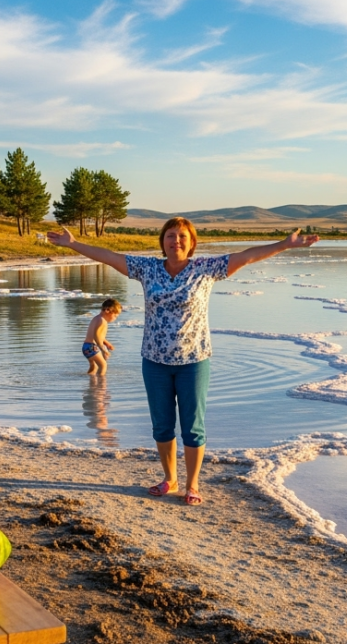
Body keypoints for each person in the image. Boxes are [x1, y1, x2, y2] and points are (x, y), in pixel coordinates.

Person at [47, 217, 319, 506]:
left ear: (191, 243)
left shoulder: (206, 269)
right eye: (171, 235)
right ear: (163, 241)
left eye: (182, 237)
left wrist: (285, 245)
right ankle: (170, 479)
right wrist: (74, 244)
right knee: (162, 425)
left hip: (194, 361)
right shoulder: (147, 268)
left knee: (192, 426)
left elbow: (247, 256)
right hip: (154, 360)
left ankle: (192, 484)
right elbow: (110, 257)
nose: (176, 240)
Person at [83, 298, 121, 375]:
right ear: (107, 310)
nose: (115, 319)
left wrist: (107, 343)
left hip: (86, 346)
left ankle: (91, 382)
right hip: (92, 347)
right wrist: (103, 348)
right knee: (103, 365)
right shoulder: (102, 321)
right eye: (115, 316)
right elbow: (96, 336)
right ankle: (101, 384)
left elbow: (99, 336)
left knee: (94, 367)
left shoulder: (96, 318)